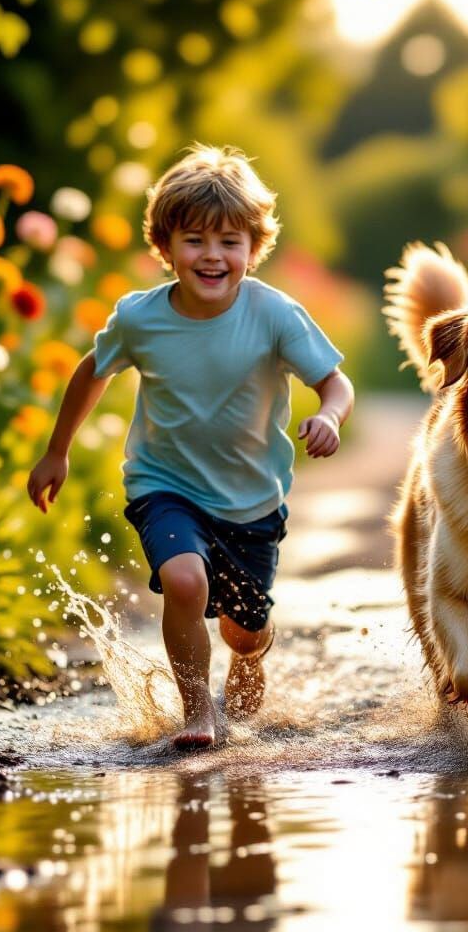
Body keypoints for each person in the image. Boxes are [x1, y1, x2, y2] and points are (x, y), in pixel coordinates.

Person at [28, 144, 353, 749]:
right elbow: (91, 371)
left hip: (253, 499)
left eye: (230, 240)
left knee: (243, 633)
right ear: (165, 247)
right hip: (164, 484)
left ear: (254, 251)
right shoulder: (140, 318)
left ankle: (252, 656)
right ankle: (197, 712)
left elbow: (334, 381)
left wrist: (331, 415)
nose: (212, 255)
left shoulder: (276, 314)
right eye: (195, 240)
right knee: (183, 582)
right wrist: (57, 450)